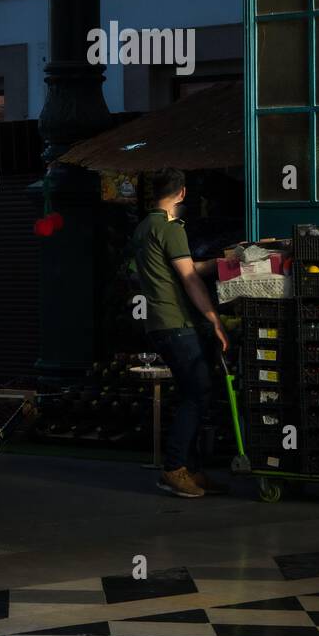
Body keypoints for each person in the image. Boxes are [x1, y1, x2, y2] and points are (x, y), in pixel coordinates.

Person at [132, 167, 230, 499]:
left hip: (160, 324)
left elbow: (182, 267)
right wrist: (215, 319)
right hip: (178, 323)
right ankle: (174, 469)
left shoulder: (145, 228)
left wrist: (223, 262)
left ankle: (191, 469)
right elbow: (189, 280)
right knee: (198, 394)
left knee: (193, 393)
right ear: (183, 193)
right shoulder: (172, 228)